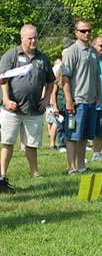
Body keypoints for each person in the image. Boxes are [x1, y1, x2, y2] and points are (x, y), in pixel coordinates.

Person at [0, 25, 55, 192]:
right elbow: (2, 78)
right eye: (30, 38)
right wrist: (7, 99)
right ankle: (2, 175)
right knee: (7, 142)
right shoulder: (11, 55)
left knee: (32, 143)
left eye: (35, 38)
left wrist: (46, 98)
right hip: (12, 109)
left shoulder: (42, 58)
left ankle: (35, 172)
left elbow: (50, 80)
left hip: (34, 109)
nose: (33, 41)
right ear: (22, 38)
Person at [62, 20, 100, 175]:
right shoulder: (72, 51)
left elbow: (97, 76)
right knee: (72, 135)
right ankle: (71, 167)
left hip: (91, 100)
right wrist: (69, 100)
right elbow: (65, 78)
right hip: (77, 101)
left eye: (89, 30)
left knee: (85, 135)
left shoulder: (93, 52)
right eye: (83, 31)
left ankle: (81, 165)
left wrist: (98, 95)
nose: (87, 33)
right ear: (76, 32)